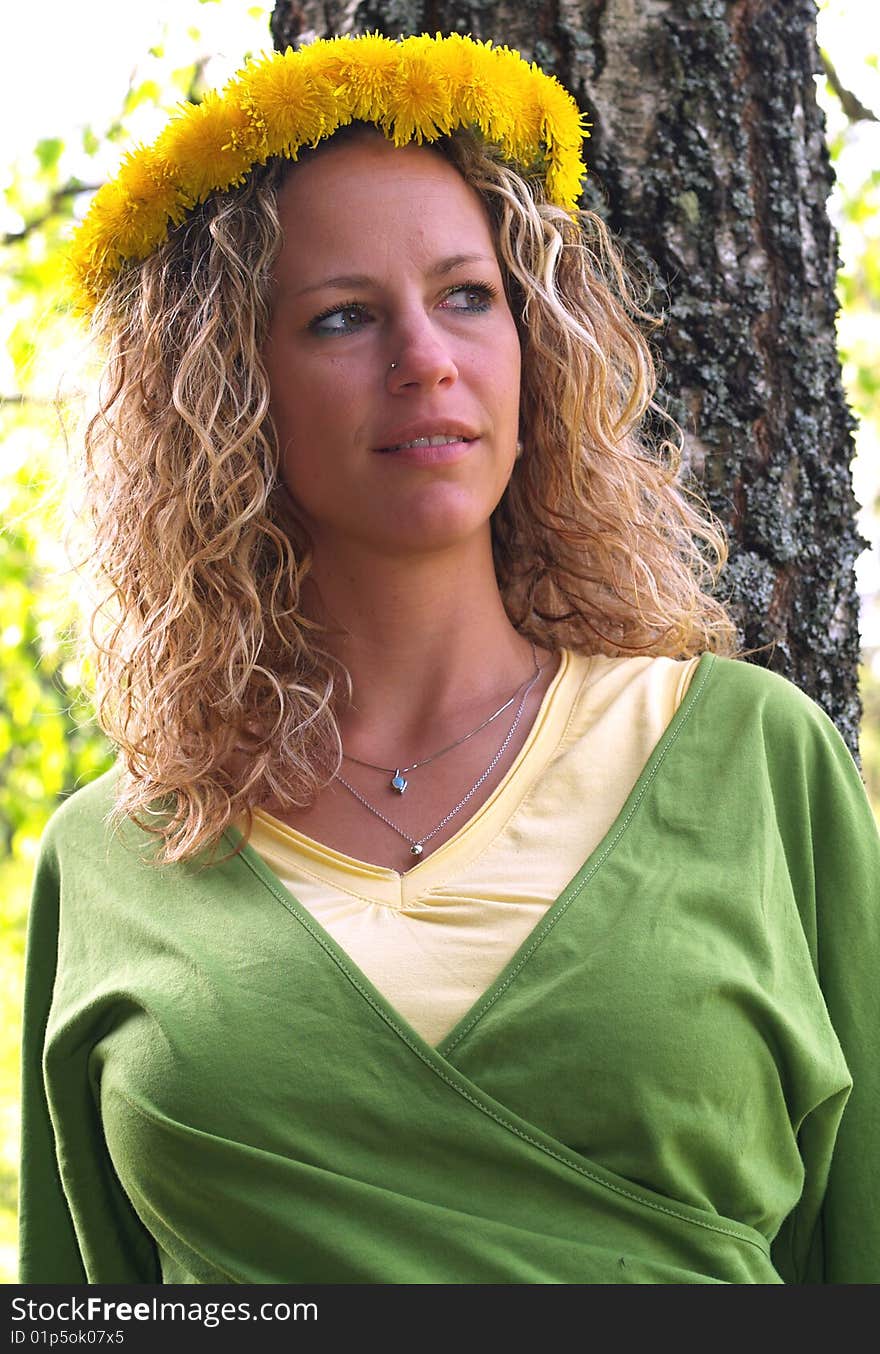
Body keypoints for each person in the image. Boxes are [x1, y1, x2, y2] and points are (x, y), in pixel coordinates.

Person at [19, 32, 879, 1286]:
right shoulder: (113, 859)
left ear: (535, 340)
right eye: (343, 316)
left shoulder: (750, 754)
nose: (426, 356)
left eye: (468, 296)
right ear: (225, 389)